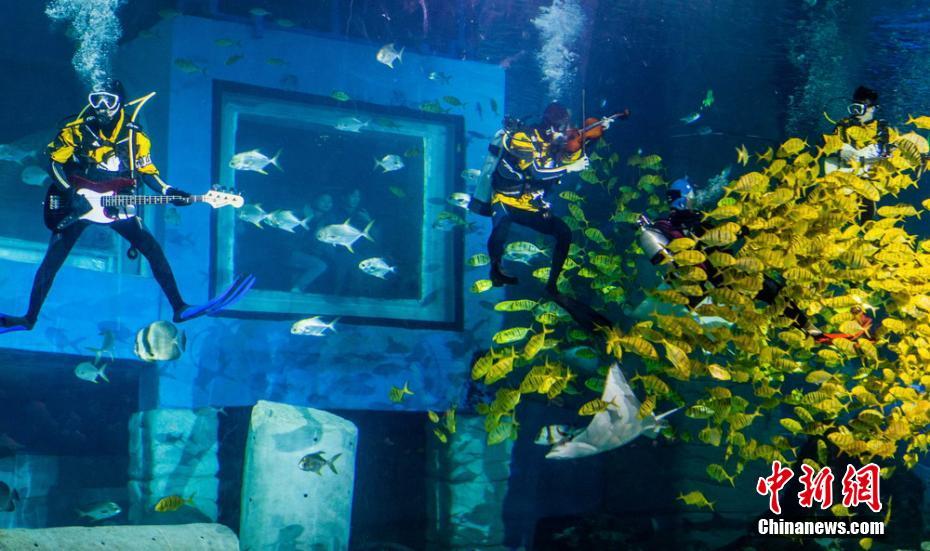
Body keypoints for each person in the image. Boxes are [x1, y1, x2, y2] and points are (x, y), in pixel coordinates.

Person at [0, 79, 253, 334]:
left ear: (119, 102)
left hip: (113, 203)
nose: (101, 107)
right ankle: (28, 318)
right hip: (78, 203)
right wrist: (71, 192)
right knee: (52, 260)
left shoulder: (135, 137)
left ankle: (179, 307)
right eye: (95, 99)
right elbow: (54, 163)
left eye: (107, 100)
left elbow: (147, 172)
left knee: (152, 249)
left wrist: (168, 191)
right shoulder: (76, 130)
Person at [483, 102, 618, 331]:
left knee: (563, 231)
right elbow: (536, 171)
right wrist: (570, 169)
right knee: (501, 228)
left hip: (529, 203)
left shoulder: (556, 143)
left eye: (565, 126)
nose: (565, 131)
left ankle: (552, 287)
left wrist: (593, 134)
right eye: (561, 125)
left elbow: (573, 153)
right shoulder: (523, 138)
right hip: (505, 199)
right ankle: (496, 268)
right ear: (549, 123)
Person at [640, 177, 822, 336]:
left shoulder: (690, 222)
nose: (692, 204)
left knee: (771, 290)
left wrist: (741, 232)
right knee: (771, 290)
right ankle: (806, 327)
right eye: (690, 200)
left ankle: (806, 327)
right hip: (708, 287)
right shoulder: (667, 228)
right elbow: (667, 262)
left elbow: (719, 240)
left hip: (721, 278)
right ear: (684, 199)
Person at [824, 85, 891, 221]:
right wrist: (840, 151)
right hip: (842, 177)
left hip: (867, 178)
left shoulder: (881, 129)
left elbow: (886, 156)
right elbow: (826, 146)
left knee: (867, 217)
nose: (856, 113)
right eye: (854, 108)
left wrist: (863, 161)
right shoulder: (843, 125)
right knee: (835, 214)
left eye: (861, 109)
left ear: (873, 108)